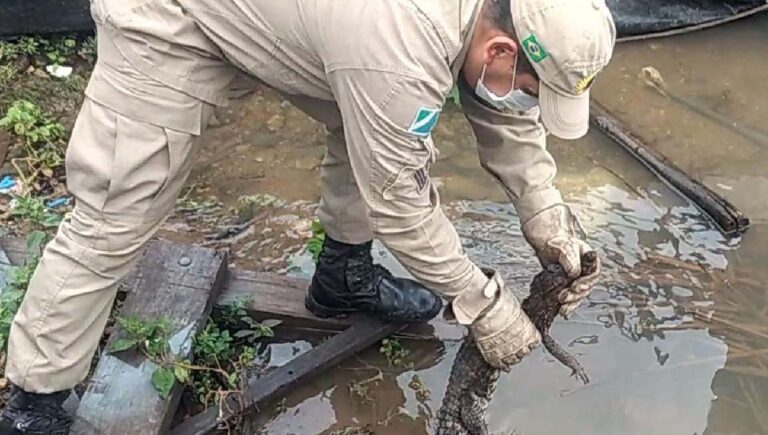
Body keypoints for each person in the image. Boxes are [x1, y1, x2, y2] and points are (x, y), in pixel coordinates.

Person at [0, 0, 615, 432]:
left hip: (307, 20)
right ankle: (34, 397)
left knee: (376, 129)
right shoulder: (403, 42)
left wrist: (545, 212)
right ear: (503, 46)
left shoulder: (499, 15)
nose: (528, 102)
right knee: (119, 206)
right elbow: (399, 203)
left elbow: (501, 111)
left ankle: (342, 275)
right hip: (174, 15)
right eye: (535, 87)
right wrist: (483, 303)